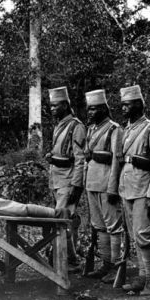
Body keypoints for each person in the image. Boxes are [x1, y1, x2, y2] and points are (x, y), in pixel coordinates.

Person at [118, 85, 150, 295]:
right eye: (122, 105)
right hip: (127, 188)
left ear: (138, 105)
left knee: (143, 235)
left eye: (127, 104)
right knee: (133, 235)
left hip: (143, 189)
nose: (124, 108)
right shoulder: (127, 128)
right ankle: (143, 277)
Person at [83, 89, 124, 282]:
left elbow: (116, 159)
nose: (90, 113)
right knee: (99, 226)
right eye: (88, 109)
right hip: (92, 183)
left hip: (107, 182)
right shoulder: (91, 129)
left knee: (113, 226)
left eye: (93, 109)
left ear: (103, 109)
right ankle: (105, 263)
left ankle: (117, 266)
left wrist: (113, 187)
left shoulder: (114, 129)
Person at [46, 86, 86, 271]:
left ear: (65, 105)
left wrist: (76, 186)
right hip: (57, 179)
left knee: (62, 220)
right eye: (51, 106)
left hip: (68, 180)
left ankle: (70, 260)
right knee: (67, 218)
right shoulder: (59, 125)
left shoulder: (76, 126)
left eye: (56, 106)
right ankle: (70, 255)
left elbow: (80, 159)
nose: (52, 109)